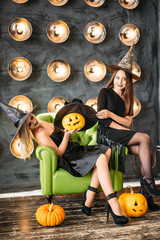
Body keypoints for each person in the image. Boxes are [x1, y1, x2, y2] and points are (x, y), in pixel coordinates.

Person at [0, 100, 128, 225]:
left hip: (75, 148)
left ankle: (90, 195)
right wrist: (66, 136)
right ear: (26, 130)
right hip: (70, 158)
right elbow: (60, 152)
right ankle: (112, 202)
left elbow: (61, 131)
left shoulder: (41, 121)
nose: (34, 122)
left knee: (107, 151)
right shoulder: (40, 135)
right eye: (29, 124)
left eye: (32, 118)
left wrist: (69, 129)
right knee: (101, 159)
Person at [96, 46, 160, 211]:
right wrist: (118, 122)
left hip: (119, 133)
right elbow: (105, 122)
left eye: (124, 79)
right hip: (107, 134)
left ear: (128, 82)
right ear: (114, 77)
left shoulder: (127, 99)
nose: (120, 82)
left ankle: (146, 194)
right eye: (118, 77)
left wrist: (111, 113)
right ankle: (149, 180)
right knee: (144, 138)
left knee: (145, 149)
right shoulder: (104, 93)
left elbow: (126, 123)